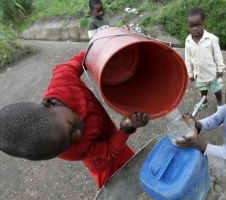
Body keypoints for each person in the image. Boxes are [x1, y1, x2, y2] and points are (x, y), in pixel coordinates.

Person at [0, 50, 150, 188]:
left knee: (137, 166)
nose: (79, 136)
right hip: (101, 163)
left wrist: (103, 47)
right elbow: (109, 149)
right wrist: (125, 128)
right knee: (122, 185)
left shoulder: (64, 80)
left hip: (110, 134)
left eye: (71, 129)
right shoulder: (71, 152)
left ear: (50, 103)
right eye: (67, 145)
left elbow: (85, 57)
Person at [185, 7, 226, 111]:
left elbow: (218, 55)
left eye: (198, 25)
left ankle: (220, 103)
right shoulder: (188, 41)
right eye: (191, 26)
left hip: (211, 73)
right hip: (199, 74)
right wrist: (190, 73)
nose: (194, 28)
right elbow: (188, 59)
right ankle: (204, 101)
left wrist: (220, 68)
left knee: (216, 89)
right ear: (188, 26)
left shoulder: (211, 39)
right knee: (202, 89)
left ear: (204, 24)